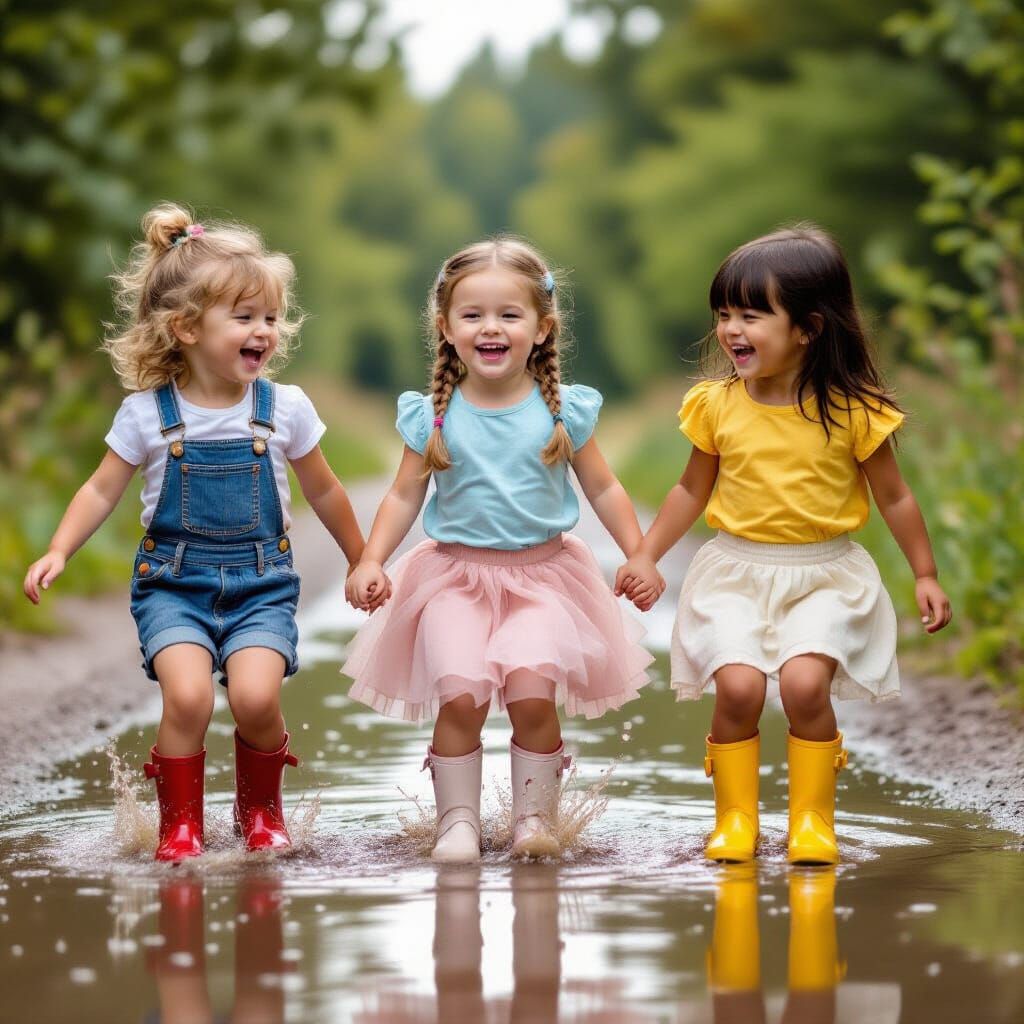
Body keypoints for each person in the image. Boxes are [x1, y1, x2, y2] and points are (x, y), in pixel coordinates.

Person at [23, 203, 366, 861]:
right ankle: (179, 825)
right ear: (185, 327)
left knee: (257, 698)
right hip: (173, 588)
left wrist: (361, 558)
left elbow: (324, 488)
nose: (262, 331)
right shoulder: (147, 416)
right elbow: (101, 488)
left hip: (262, 586)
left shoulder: (284, 409)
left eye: (268, 317)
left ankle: (260, 814)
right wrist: (59, 549)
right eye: (243, 317)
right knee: (186, 698)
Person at [616, 224, 952, 865]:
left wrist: (926, 573)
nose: (731, 330)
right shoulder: (716, 405)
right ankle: (736, 820)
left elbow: (896, 496)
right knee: (738, 690)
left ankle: (812, 822)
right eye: (723, 314)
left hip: (825, 574)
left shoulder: (853, 410)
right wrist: (644, 555)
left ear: (809, 327)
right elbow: (690, 490)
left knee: (803, 687)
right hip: (736, 571)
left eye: (751, 314)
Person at [343, 236, 658, 862]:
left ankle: (535, 820)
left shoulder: (563, 411)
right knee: (459, 694)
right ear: (446, 326)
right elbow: (404, 496)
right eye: (473, 314)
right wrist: (371, 558)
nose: (492, 327)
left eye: (509, 315)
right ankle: (456, 823)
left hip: (544, 579)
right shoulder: (433, 415)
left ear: (541, 328)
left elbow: (603, 485)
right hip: (453, 577)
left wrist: (639, 552)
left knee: (532, 689)